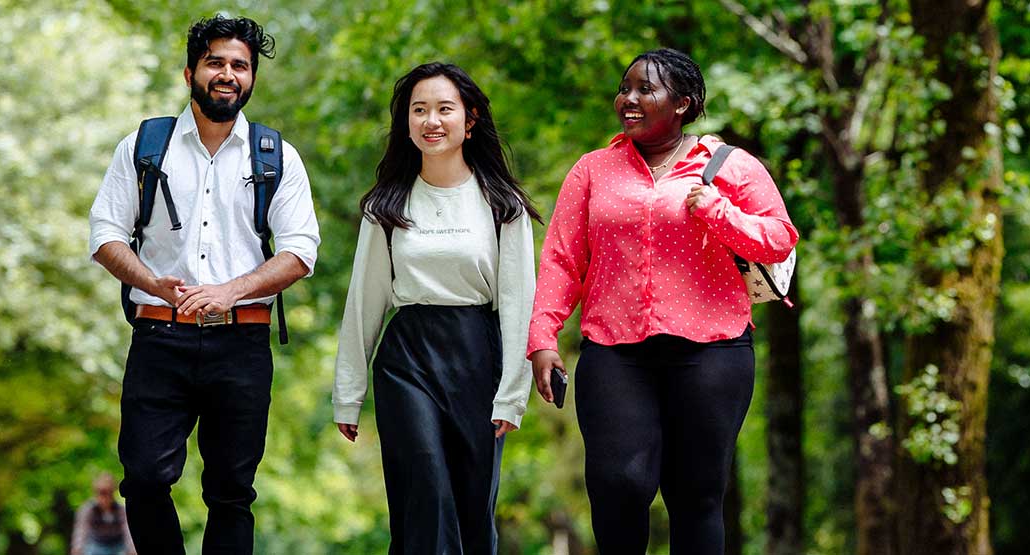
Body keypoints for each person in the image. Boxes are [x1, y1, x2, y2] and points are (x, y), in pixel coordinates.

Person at [527, 48, 798, 553]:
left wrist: (718, 212)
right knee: (618, 485)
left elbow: (780, 238)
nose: (628, 99)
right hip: (615, 351)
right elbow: (562, 259)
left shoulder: (731, 166)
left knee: (695, 494)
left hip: (712, 352)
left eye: (644, 89)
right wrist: (543, 337)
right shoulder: (592, 170)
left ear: (683, 103)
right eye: (624, 88)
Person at [87, 15, 319, 555]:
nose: (227, 74)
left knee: (232, 492)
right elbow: (104, 235)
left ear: (252, 79)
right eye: (216, 61)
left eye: (240, 65)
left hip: (241, 343)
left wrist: (230, 290)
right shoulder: (144, 147)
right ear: (189, 71)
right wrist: (154, 283)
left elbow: (301, 251)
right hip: (158, 337)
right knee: (143, 479)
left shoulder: (276, 157)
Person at [332, 62, 538, 554]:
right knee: (422, 486)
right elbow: (365, 300)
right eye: (418, 110)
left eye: (445, 109)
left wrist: (513, 392)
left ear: (469, 121)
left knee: (472, 504)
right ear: (406, 123)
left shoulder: (501, 204)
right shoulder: (387, 204)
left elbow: (518, 304)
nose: (431, 121)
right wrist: (348, 392)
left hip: (477, 356)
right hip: (407, 359)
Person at [70, 474, 137, 555]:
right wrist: (77, 549)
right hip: (96, 545)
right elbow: (81, 531)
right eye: (101, 492)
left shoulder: (121, 510)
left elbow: (127, 531)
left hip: (118, 545)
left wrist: (133, 549)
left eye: (108, 492)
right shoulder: (88, 510)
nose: (105, 497)